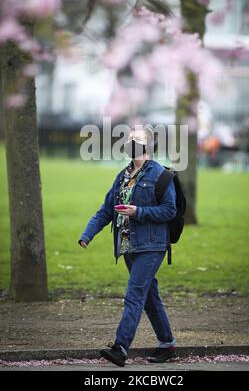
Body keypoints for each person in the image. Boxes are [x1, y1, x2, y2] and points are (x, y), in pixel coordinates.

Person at [78, 125, 177, 367]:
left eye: (138, 139)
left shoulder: (161, 176)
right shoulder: (122, 176)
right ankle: (167, 344)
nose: (132, 142)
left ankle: (120, 348)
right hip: (128, 247)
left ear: (148, 145)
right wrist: (87, 234)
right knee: (149, 296)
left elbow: (169, 210)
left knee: (134, 294)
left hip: (151, 246)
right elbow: (106, 210)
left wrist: (138, 212)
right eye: (130, 139)